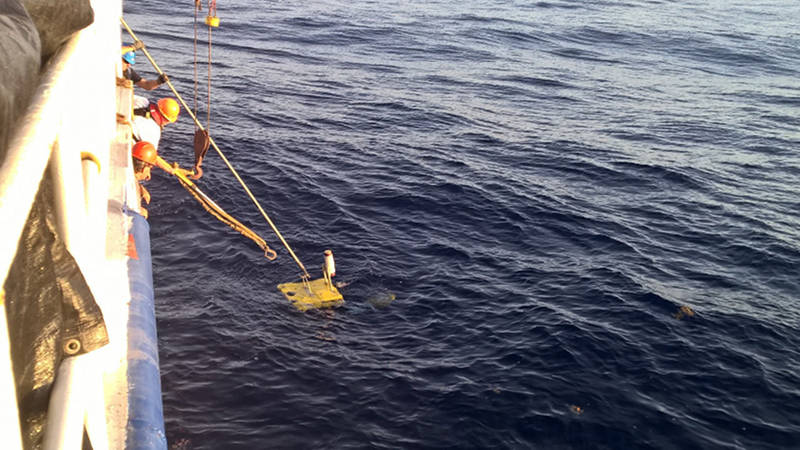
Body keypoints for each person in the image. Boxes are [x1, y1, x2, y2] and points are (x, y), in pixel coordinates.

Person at [131, 141, 176, 218]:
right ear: (144, 167)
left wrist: (142, 189)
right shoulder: (128, 189)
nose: (149, 175)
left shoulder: (126, 172)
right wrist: (138, 211)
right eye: (150, 168)